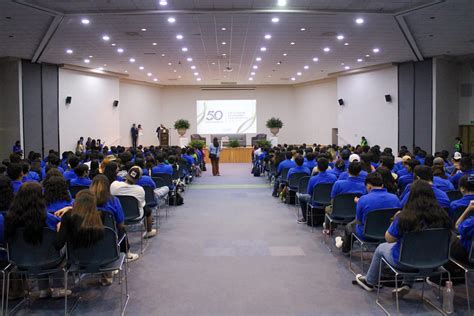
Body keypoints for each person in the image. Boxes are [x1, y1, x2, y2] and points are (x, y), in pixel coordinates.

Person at [355, 180, 451, 295]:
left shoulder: (404, 217)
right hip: (435, 262)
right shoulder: (443, 216)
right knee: (416, 248)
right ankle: (407, 284)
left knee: (381, 248)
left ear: (410, 196)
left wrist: (394, 220)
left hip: (406, 262)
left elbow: (389, 239)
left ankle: (369, 281)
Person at [4, 182, 68, 298]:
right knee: (49, 246)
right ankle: (58, 288)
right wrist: (61, 225)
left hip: (20, 261)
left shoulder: (9, 219)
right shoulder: (47, 217)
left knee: (36, 247)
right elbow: (57, 237)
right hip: (51, 260)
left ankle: (43, 289)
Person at [53, 190, 115, 285]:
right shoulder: (103, 215)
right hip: (102, 259)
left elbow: (58, 245)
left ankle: (59, 287)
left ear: (76, 202)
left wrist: (59, 228)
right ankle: (106, 277)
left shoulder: (68, 217)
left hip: (77, 261)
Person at [337, 172, 401, 253]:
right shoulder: (395, 198)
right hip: (388, 233)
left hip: (366, 234)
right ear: (382, 185)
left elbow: (359, 221)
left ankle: (345, 249)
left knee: (349, 226)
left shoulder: (363, 199)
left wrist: (360, 204)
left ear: (369, 186)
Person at [110, 166, 157, 239]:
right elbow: (142, 205)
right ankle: (149, 231)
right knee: (148, 210)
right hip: (135, 216)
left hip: (116, 216)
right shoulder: (139, 189)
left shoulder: (114, 184)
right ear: (138, 179)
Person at [297, 158, 337, 224]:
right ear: (327, 167)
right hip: (329, 200)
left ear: (317, 167)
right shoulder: (334, 177)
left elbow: (309, 192)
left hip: (315, 201)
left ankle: (305, 218)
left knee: (301, 197)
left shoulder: (313, 179)